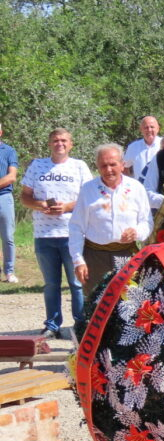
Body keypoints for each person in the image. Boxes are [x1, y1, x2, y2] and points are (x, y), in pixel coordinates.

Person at [20, 128, 93, 339]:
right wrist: (39, 204)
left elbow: (89, 196)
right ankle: (52, 325)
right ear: (49, 143)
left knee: (77, 283)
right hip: (44, 235)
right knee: (51, 284)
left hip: (73, 233)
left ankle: (80, 325)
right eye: (55, 140)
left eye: (63, 140)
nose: (59, 143)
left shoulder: (79, 166)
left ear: (71, 144)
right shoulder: (37, 165)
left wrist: (68, 206)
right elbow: (24, 197)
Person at [70, 144, 152, 294]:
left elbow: (146, 222)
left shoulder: (136, 188)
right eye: (103, 165)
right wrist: (78, 261)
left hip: (127, 256)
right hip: (95, 257)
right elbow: (76, 227)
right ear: (97, 166)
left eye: (113, 164)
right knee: (95, 306)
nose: (108, 170)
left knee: (128, 305)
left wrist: (137, 232)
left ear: (122, 164)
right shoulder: (88, 189)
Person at [0, 122, 19, 283]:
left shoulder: (9, 151)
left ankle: (9, 271)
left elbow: (11, 176)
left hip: (4, 197)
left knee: (7, 237)